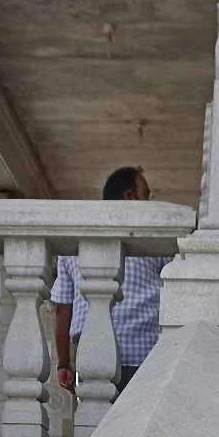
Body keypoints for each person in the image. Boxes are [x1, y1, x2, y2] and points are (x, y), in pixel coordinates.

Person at [51, 166, 169, 395]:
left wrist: (64, 364)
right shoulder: (153, 238)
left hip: (92, 357)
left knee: (98, 428)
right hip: (146, 358)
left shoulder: (75, 243)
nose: (148, 203)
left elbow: (63, 310)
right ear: (128, 196)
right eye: (146, 195)